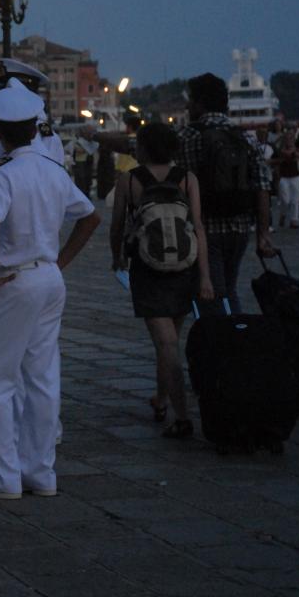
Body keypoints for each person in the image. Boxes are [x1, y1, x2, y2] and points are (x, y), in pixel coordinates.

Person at [0, 78, 100, 500]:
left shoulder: (1, 173)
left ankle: (2, 476)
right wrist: (61, 260)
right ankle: (40, 471)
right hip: (47, 276)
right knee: (41, 376)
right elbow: (90, 216)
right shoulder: (52, 169)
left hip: (15, 278)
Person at [110, 123, 213, 438]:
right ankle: (161, 399)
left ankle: (181, 417)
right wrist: (205, 277)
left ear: (143, 148)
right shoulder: (187, 178)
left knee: (166, 344)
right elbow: (197, 227)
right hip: (184, 268)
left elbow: (117, 225)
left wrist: (117, 257)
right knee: (169, 341)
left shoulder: (129, 180)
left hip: (148, 269)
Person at [175, 73, 275, 313]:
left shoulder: (188, 136)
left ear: (199, 103)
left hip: (204, 227)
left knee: (211, 293)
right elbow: (262, 186)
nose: (187, 106)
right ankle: (235, 330)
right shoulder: (244, 137)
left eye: (190, 101)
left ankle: (224, 334)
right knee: (229, 288)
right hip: (240, 226)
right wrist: (262, 233)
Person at [275, 130, 299, 229]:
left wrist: (298, 156)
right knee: (285, 199)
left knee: (295, 199)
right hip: (284, 177)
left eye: (291, 138)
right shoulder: (280, 149)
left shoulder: (297, 149)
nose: (289, 140)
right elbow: (276, 158)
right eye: (287, 138)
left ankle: (294, 219)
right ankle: (283, 214)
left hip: (295, 176)